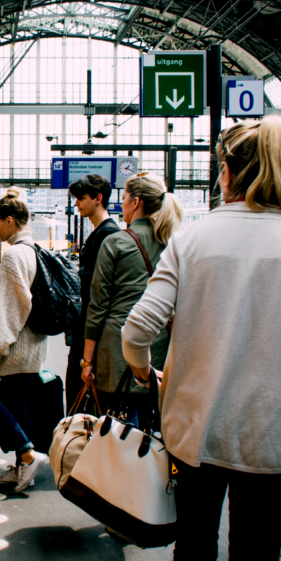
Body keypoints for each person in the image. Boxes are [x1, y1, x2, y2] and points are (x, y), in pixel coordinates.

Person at [120, 117, 281, 560]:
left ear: (228, 172)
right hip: (274, 440)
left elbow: (138, 329)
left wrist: (146, 373)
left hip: (195, 431)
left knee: (194, 544)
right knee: (256, 551)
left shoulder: (191, 239)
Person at [81, 172, 183, 422]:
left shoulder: (115, 243)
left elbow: (98, 307)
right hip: (158, 351)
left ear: (136, 202)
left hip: (116, 354)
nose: (122, 203)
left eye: (124, 197)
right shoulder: (174, 244)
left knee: (119, 433)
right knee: (153, 430)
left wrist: (86, 361)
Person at [0, 188, 50, 492]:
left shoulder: (13, 256)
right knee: (20, 407)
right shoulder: (35, 250)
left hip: (14, 350)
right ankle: (23, 467)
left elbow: (10, 312)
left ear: (9, 220)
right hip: (33, 345)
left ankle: (28, 456)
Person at [65, 174, 120, 406]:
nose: (76, 203)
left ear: (98, 198)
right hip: (88, 333)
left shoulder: (106, 236)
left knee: (81, 406)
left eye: (81, 197)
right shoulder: (99, 234)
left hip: (91, 337)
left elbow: (98, 299)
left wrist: (88, 359)